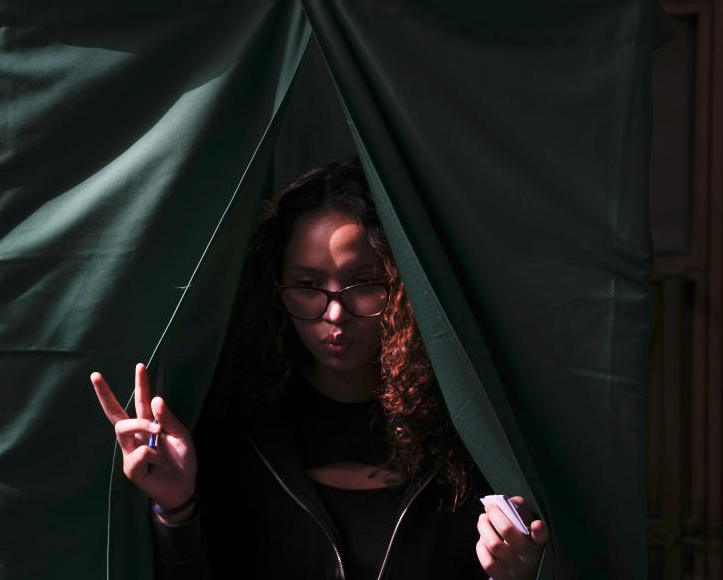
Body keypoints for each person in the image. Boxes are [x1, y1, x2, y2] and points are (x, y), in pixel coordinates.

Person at [91, 159, 549, 579]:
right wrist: (177, 511)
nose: (334, 314)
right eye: (308, 286)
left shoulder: (465, 441)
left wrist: (522, 577)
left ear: (403, 286)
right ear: (276, 290)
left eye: (364, 283)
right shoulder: (236, 438)